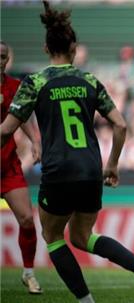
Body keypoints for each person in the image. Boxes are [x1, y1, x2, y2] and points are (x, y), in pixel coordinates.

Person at [0, 2, 134, 303]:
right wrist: (112, 165)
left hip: (58, 171)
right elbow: (121, 125)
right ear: (74, 48)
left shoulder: (35, 82)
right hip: (91, 169)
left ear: (46, 47)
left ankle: (86, 302)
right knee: (81, 235)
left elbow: (5, 130)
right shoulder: (89, 81)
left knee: (52, 237)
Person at [0, 41, 43, 295]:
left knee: (27, 219)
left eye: (3, 56)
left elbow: (22, 115)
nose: (0, 60)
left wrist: (35, 140)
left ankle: (28, 273)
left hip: (8, 167)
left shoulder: (14, 86)